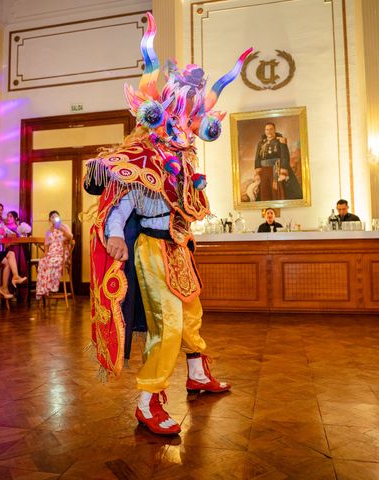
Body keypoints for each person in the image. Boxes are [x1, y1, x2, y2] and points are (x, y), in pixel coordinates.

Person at [85, 13, 250, 436]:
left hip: (178, 245)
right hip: (151, 249)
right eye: (176, 117)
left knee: (192, 313)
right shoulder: (139, 156)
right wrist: (116, 236)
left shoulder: (185, 158)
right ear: (157, 114)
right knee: (169, 323)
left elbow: (191, 202)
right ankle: (148, 399)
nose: (184, 127)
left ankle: (196, 375)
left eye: (189, 119)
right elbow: (116, 202)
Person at [254, 123, 302, 201]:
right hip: (264, 171)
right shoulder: (261, 143)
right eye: (267, 129)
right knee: (264, 191)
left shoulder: (280, 141)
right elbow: (257, 158)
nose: (269, 131)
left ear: (274, 130)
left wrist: (283, 172)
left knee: (276, 191)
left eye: (271, 129)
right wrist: (258, 173)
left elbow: (285, 156)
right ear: (265, 131)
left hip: (276, 169)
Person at [36, 210, 73, 301]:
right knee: (43, 262)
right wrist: (45, 254)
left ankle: (51, 287)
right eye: (52, 217)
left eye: (56, 216)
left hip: (62, 253)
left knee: (53, 262)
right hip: (52, 252)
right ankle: (42, 289)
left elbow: (70, 237)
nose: (55, 219)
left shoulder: (64, 227)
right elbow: (46, 245)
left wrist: (61, 229)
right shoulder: (48, 231)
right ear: (50, 220)